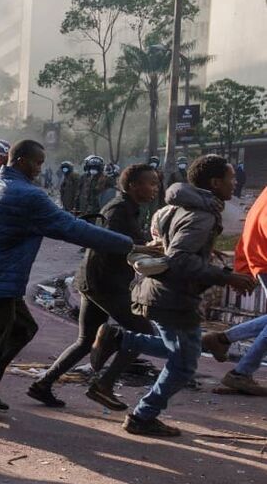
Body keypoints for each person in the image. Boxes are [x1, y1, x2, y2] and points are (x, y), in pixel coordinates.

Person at [0, 139, 146, 425]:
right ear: (20, 161)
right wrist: (131, 245)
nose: (40, 169)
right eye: (37, 163)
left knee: (23, 329)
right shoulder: (27, 194)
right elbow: (72, 229)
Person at [99, 155, 257, 436]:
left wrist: (206, 253)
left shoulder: (179, 206)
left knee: (185, 351)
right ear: (215, 182)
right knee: (184, 366)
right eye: (231, 178)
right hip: (173, 296)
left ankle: (121, 339)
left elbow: (168, 244)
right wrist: (226, 276)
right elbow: (180, 259)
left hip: (160, 291)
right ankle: (142, 416)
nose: (235, 183)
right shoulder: (202, 214)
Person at [26, 163, 162, 409]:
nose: (155, 188)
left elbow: (132, 244)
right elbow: (113, 244)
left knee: (86, 340)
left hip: (98, 281)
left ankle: (43, 384)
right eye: (150, 183)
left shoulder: (130, 209)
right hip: (105, 283)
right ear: (133, 186)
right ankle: (104, 384)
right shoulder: (117, 210)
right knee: (144, 334)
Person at [202, 181, 267, 394]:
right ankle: (241, 373)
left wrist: (244, 266)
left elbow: (250, 230)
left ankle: (223, 339)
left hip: (260, 261)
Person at [140, 156, 164, 229]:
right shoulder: (144, 173)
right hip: (145, 194)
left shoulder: (159, 174)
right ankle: (141, 226)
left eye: (156, 162)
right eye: (152, 161)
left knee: (153, 212)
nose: (154, 163)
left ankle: (152, 227)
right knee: (143, 211)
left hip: (155, 195)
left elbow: (161, 186)